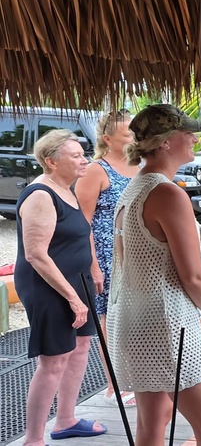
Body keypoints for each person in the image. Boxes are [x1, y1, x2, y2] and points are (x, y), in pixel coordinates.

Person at [106, 104, 201, 446]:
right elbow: (193, 276)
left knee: (154, 420)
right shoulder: (167, 193)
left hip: (133, 320)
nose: (193, 138)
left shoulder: (134, 188)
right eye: (187, 132)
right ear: (165, 142)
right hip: (165, 324)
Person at [14, 129, 107, 445]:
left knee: (81, 347)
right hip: (48, 286)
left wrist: (93, 268)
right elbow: (36, 254)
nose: (85, 160)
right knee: (53, 360)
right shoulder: (41, 194)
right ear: (51, 161)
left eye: (84, 154)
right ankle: (34, 439)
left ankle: (66, 420)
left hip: (77, 280)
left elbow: (84, 231)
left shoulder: (67, 188)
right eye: (76, 155)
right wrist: (72, 298)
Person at [76, 109, 139, 407]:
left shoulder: (141, 166)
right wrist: (93, 266)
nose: (134, 138)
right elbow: (82, 222)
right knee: (109, 319)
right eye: (128, 133)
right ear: (108, 139)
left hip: (136, 255)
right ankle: (115, 384)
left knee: (134, 318)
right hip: (106, 254)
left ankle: (135, 378)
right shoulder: (95, 170)